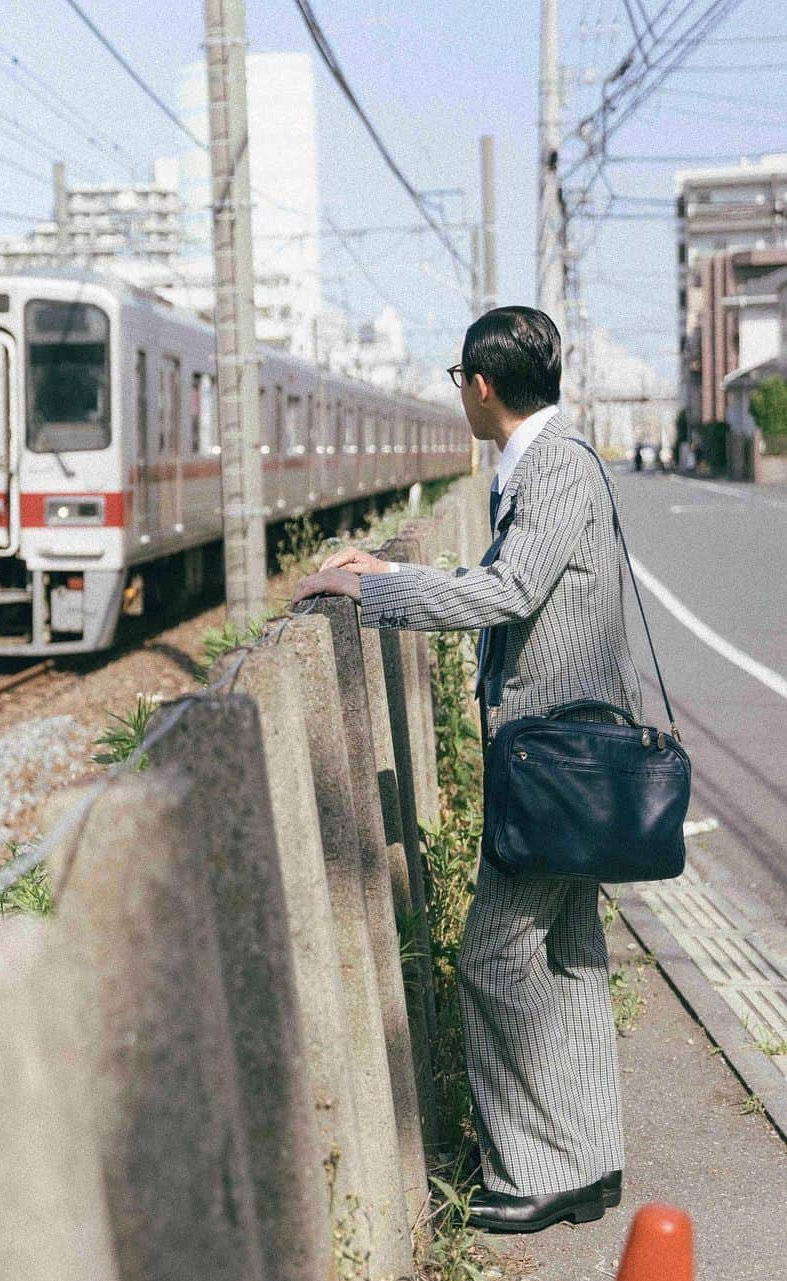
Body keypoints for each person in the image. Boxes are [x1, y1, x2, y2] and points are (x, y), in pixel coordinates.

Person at [293, 306, 640, 1234]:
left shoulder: (556, 465)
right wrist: (382, 566)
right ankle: (585, 1158)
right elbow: (524, 578)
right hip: (560, 756)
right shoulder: (542, 461)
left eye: (457, 382)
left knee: (492, 958)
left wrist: (373, 591)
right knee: (564, 956)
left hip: (557, 759)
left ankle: (535, 1171)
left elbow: (508, 591)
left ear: (477, 387)